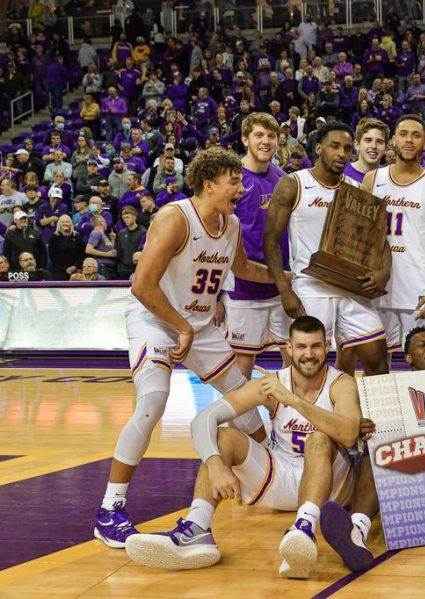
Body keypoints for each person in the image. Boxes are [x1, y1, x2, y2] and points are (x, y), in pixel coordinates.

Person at [93, 147, 275, 549]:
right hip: (156, 319)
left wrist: (285, 278)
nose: (240, 189)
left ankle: (273, 473)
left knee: (243, 400)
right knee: (154, 399)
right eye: (233, 182)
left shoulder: (230, 224)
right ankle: (110, 509)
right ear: (209, 184)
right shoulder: (175, 218)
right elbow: (142, 286)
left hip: (199, 325)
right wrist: (180, 327)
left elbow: (243, 268)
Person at [123, 316, 360, 578]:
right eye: (301, 347)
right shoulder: (271, 382)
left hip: (331, 484)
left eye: (316, 346)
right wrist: (215, 464)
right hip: (283, 474)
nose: (309, 354)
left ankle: (304, 530)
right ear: (289, 348)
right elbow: (204, 419)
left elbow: (349, 435)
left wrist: (292, 401)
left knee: (319, 438)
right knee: (224, 437)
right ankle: (196, 529)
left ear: (327, 346)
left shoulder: (342, 383)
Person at [264, 122, 391, 376]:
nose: (342, 154)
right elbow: (270, 241)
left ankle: (369, 416)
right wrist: (284, 290)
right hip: (310, 287)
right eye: (335, 146)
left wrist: (383, 271)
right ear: (319, 148)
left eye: (346, 148)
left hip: (351, 289)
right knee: (307, 367)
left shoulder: (358, 190)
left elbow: (380, 240)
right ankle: (300, 416)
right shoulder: (294, 184)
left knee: (377, 360)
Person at [320, 326, 425, 572]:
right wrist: (363, 427)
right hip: (406, 469)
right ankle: (357, 531)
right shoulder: (387, 389)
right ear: (408, 358)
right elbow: (359, 428)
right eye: (423, 345)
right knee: (376, 452)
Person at [364, 115, 425, 353]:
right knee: (378, 363)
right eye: (403, 134)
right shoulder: (373, 179)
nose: (409, 140)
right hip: (378, 288)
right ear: (393, 140)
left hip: (419, 288)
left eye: (416, 135)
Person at [222, 113, 292, 378]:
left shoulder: (284, 179)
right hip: (243, 289)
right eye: (259, 135)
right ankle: (240, 419)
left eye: (271, 136)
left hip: (279, 287)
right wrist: (218, 295)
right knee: (243, 365)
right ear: (244, 139)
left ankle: (290, 416)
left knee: (293, 358)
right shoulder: (231, 180)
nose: (266, 141)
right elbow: (219, 238)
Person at [343, 118, 388, 183]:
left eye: (379, 142)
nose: (373, 146)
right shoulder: (341, 174)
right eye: (368, 140)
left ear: (386, 148)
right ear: (357, 145)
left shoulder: (389, 179)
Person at [48, 214, 86, 280]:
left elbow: (82, 253)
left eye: (67, 222)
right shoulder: (54, 237)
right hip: (59, 270)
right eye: (63, 222)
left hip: (76, 270)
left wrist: (75, 266)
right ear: (59, 224)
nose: (65, 224)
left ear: (71, 224)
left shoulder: (77, 236)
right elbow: (53, 256)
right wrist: (65, 268)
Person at [115, 206, 146, 280]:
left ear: (135, 217)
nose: (125, 219)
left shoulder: (143, 232)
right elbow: (119, 252)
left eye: (127, 217)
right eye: (124, 217)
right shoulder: (121, 233)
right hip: (123, 269)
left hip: (137, 268)